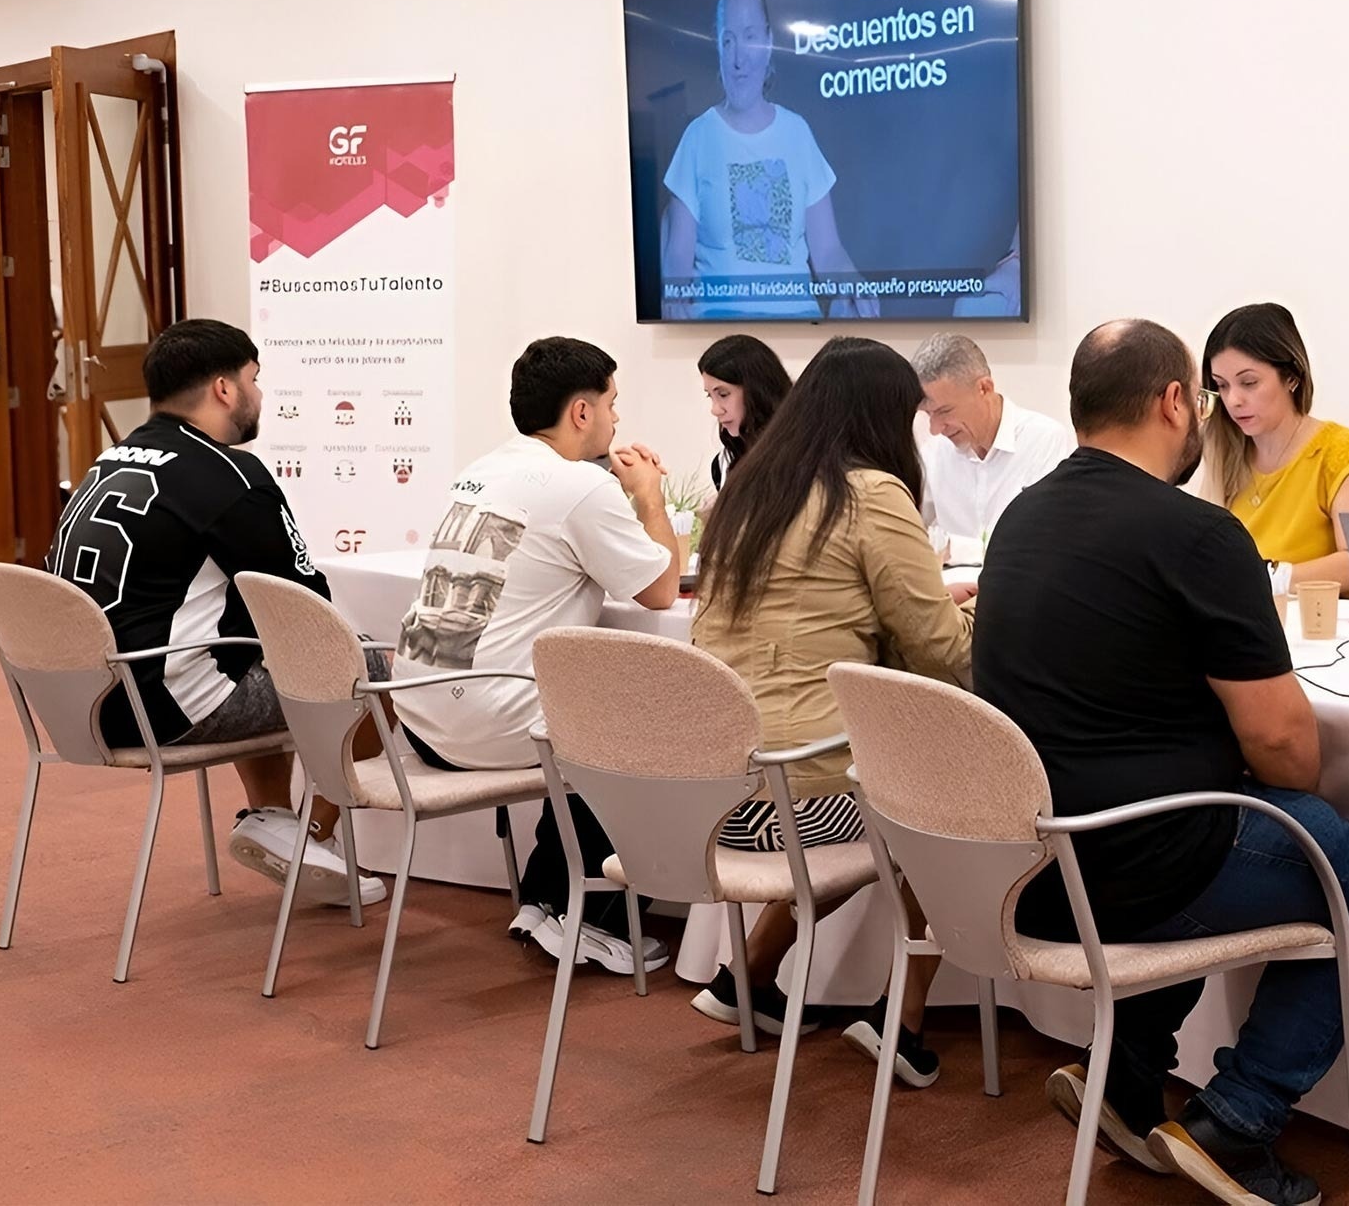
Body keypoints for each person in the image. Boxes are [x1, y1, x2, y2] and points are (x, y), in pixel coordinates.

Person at [975, 319, 1349, 1206]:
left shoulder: (1020, 517)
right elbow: (1285, 745)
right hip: (1141, 861)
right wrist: (1288, 815)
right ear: (1175, 401)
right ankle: (1241, 1116)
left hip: (1033, 864)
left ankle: (1128, 1077)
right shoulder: (1197, 535)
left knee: (1221, 834)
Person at [692, 336, 975, 1087]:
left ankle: (749, 972)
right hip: (791, 805)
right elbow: (946, 654)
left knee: (871, 790)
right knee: (952, 804)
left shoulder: (747, 489)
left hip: (710, 798)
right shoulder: (872, 494)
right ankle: (902, 1018)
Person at [44, 319, 389, 907]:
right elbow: (308, 610)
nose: (260, 396)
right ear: (225, 388)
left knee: (253, 646)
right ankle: (309, 835)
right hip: (161, 708)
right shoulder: (232, 476)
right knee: (365, 671)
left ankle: (272, 817)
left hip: (74, 703)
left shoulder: (105, 461)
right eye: (256, 380)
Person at [391, 337, 681, 974]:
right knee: (652, 726)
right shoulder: (579, 486)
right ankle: (586, 917)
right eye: (612, 403)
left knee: (590, 708)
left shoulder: (484, 467)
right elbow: (660, 590)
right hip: (484, 723)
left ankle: (546, 899)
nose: (616, 419)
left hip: (417, 719)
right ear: (581, 412)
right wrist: (649, 496)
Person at [660, 0, 879, 320]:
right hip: (719, 335)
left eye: (749, 37)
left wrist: (855, 284)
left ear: (769, 41)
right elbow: (677, 257)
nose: (738, 58)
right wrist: (673, 295)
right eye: (727, 40)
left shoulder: (797, 132)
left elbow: (828, 251)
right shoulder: (698, 138)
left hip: (797, 326)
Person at [1200, 303, 1349, 594]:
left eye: (1249, 382)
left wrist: (1269, 579)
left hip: (1318, 630)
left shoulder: (1340, 452)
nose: (1233, 400)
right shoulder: (1225, 456)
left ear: (1292, 377)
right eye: (1222, 386)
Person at [912, 332, 1073, 562]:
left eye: (945, 412)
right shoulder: (934, 452)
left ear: (984, 388)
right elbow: (912, 536)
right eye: (928, 414)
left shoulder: (1044, 440)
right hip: (952, 595)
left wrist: (955, 548)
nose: (935, 428)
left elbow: (1045, 544)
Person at [698, 334, 793, 490]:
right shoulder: (724, 463)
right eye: (710, 395)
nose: (715, 410)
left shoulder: (803, 459)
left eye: (723, 394)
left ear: (757, 390)